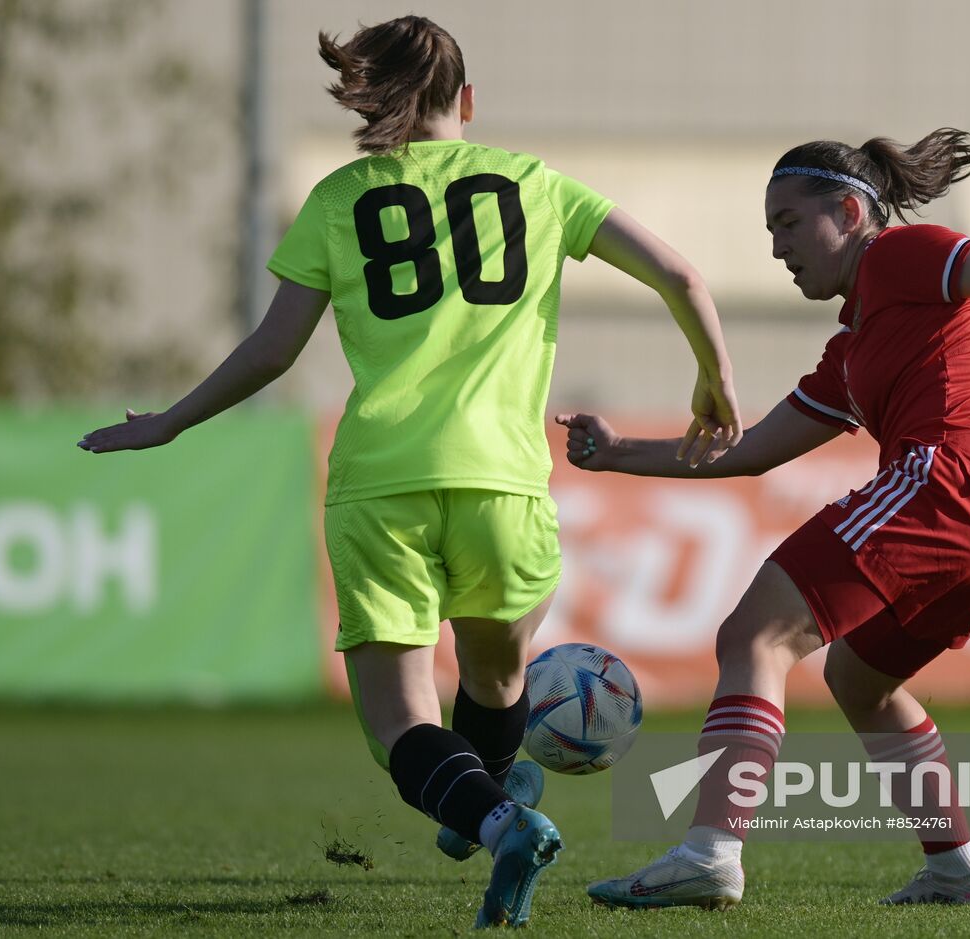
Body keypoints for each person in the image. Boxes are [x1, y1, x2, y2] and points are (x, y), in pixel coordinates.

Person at [76, 15, 742, 929]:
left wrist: (171, 422)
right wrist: (712, 378)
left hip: (382, 481)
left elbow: (274, 351)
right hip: (505, 484)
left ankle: (492, 813)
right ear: (468, 102)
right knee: (499, 681)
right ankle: (487, 801)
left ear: (369, 102)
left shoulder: (340, 198)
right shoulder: (533, 184)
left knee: (398, 725)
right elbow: (681, 274)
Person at [558, 127, 970, 910]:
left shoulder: (900, 256)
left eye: (789, 223)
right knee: (858, 679)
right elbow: (752, 451)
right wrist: (619, 452)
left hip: (950, 484)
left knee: (753, 635)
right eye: (770, 231)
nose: (778, 247)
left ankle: (709, 849)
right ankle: (956, 871)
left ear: (852, 211)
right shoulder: (850, 352)